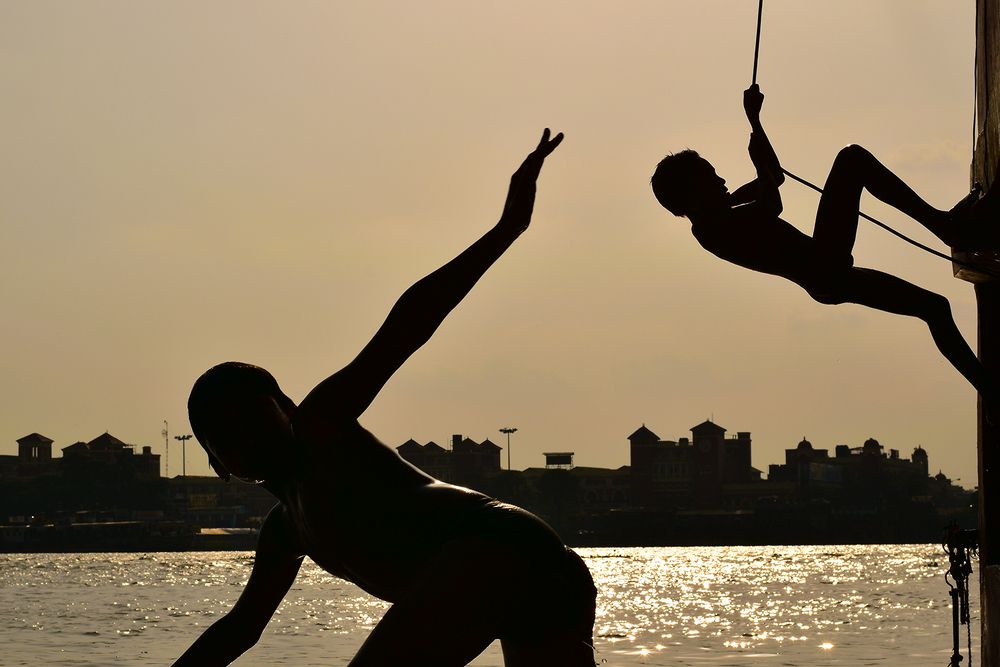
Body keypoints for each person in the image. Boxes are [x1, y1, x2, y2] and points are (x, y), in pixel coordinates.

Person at [174, 130, 597, 667]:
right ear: (217, 464)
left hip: (500, 546)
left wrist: (506, 229)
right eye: (227, 435)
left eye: (254, 416)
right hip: (538, 575)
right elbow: (240, 629)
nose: (247, 436)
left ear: (286, 407)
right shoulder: (284, 532)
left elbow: (408, 325)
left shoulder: (321, 425)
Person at [651, 84, 999, 401]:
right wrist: (758, 158)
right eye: (711, 177)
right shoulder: (712, 229)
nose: (722, 180)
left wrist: (755, 122)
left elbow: (775, 177)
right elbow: (772, 203)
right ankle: (945, 227)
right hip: (824, 265)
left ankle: (990, 393)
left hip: (828, 275)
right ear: (692, 194)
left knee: (934, 308)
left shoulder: (722, 213)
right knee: (852, 159)